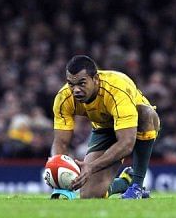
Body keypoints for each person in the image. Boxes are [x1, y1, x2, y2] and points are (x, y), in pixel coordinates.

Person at [51, 55, 160, 199]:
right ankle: (125, 181)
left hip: (135, 126)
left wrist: (91, 166)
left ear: (95, 79)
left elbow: (126, 143)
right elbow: (61, 142)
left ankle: (137, 186)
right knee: (89, 195)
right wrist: (57, 170)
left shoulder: (117, 88)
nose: (75, 90)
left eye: (81, 83)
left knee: (146, 113)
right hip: (104, 128)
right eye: (71, 84)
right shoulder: (64, 98)